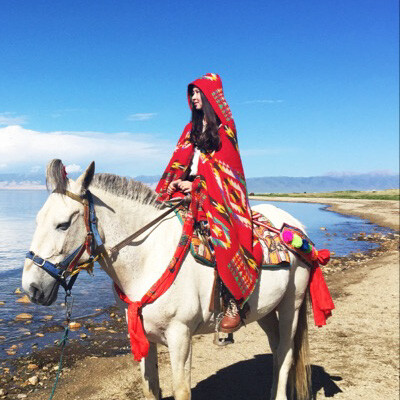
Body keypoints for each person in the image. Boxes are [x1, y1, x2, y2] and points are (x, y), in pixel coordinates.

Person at [156, 73, 263, 333]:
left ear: (211, 95)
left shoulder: (226, 129)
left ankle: (234, 303)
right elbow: (179, 164)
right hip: (188, 189)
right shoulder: (189, 130)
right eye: (190, 94)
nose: (193, 98)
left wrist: (196, 186)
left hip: (218, 197)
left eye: (198, 93)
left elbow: (227, 172)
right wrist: (173, 182)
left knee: (220, 237)